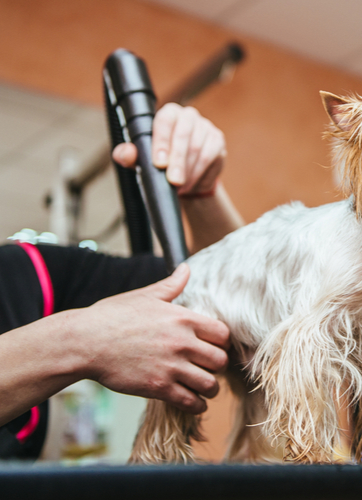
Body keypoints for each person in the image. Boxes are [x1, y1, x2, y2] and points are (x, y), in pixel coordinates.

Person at [0, 103, 244, 459]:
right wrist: (81, 340)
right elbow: (89, 337)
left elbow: (224, 294)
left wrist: (201, 192)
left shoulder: (24, 273)